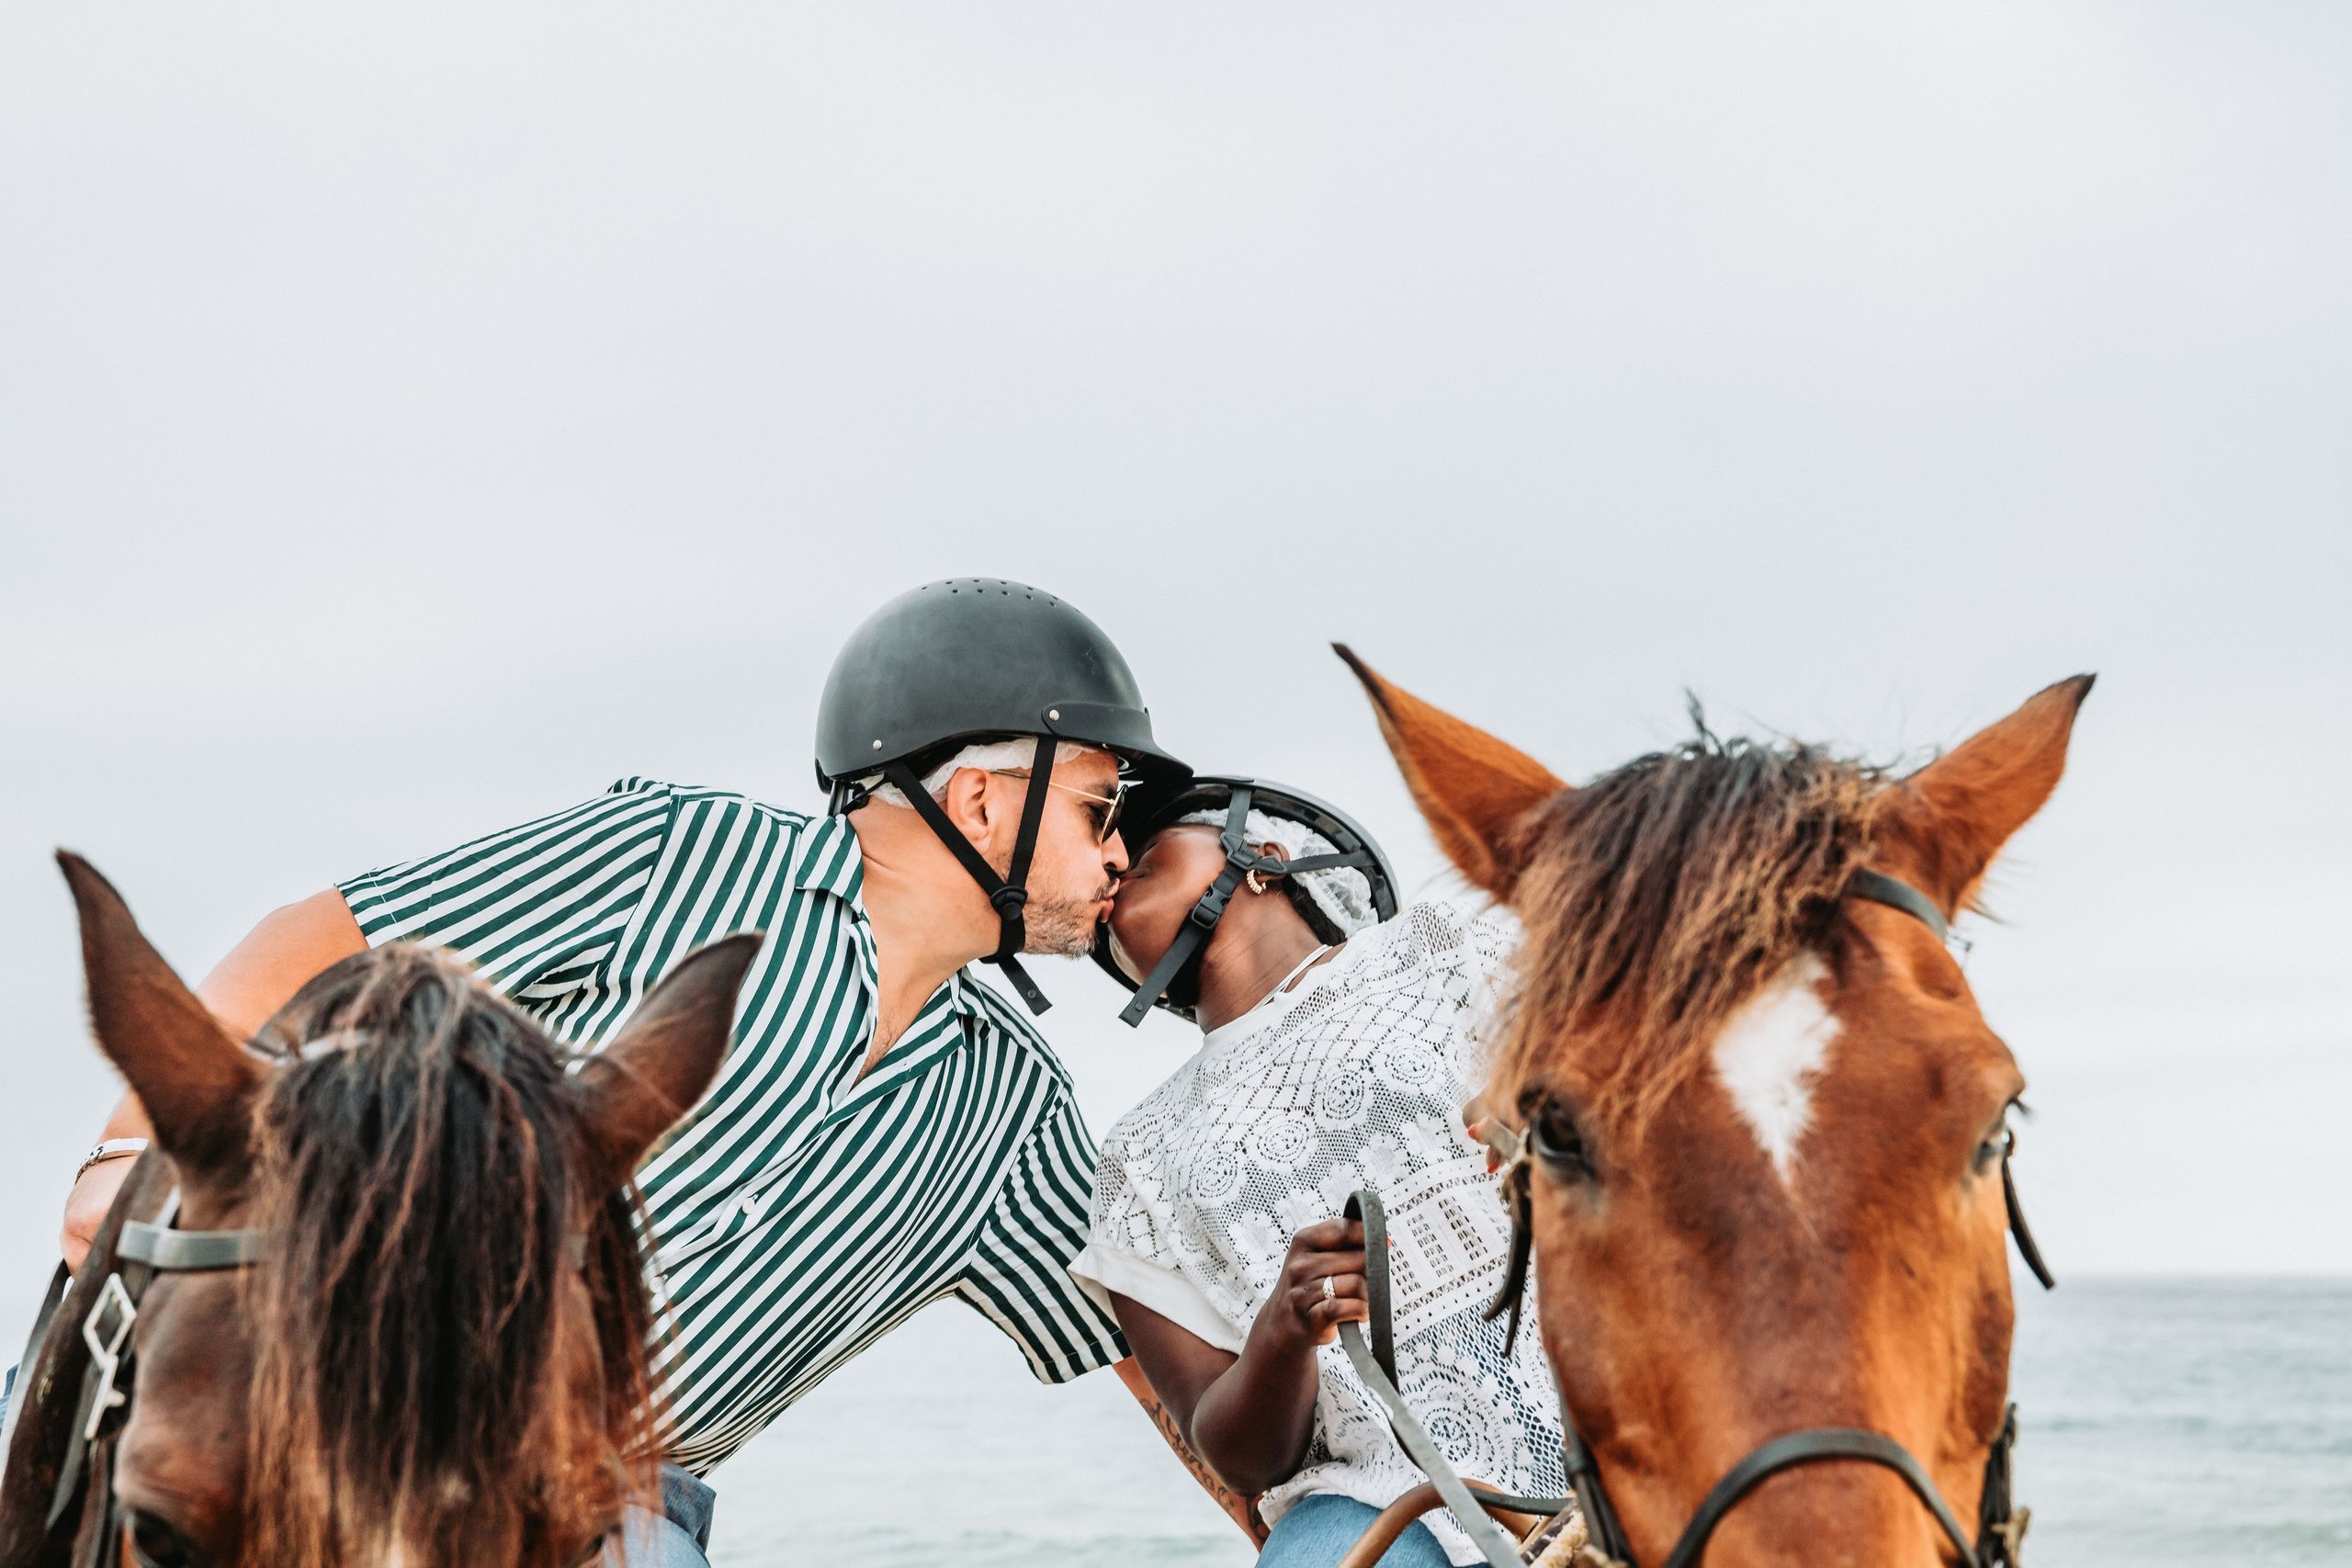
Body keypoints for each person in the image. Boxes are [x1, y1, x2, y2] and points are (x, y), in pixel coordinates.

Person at [55, 579, 1205, 1563]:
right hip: (363, 1383)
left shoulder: (1014, 1110)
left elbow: (1169, 1377)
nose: (1115, 853)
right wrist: (129, 1156)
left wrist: (1333, 1528)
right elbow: (318, 944)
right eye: (1099, 807)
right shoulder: (676, 857)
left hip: (616, 1508)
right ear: (979, 797)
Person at [1070, 778, 1571, 1568]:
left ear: (1263, 858)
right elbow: (1239, 1456)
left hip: (1618, 1392)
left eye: (1152, 846)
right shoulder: (1135, 1159)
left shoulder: (1448, 944)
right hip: (1380, 1494)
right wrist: (1283, 1330)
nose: (1117, 863)